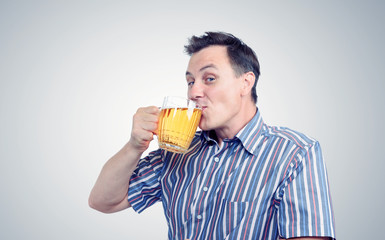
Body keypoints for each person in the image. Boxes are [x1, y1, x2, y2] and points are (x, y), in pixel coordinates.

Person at [89, 31, 336, 240]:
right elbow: (103, 201)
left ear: (245, 83)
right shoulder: (176, 151)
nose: (194, 92)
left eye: (209, 78)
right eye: (190, 81)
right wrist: (134, 146)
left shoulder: (295, 153)